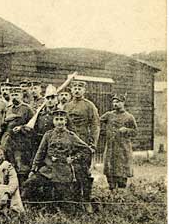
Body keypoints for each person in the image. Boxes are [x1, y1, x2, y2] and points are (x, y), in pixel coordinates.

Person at [24, 110, 93, 208]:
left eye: (61, 119)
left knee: (65, 202)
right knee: (29, 183)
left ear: (65, 121)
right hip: (48, 170)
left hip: (63, 171)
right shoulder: (48, 135)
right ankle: (29, 207)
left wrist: (73, 158)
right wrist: (33, 169)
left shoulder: (71, 136)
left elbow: (86, 150)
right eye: (57, 119)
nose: (59, 122)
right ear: (53, 121)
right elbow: (40, 152)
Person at [63, 80, 100, 212]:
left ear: (84, 90)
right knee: (70, 171)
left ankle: (86, 200)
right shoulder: (66, 106)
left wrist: (93, 145)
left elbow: (95, 126)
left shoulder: (90, 106)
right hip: (69, 143)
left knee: (84, 172)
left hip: (83, 143)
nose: (77, 90)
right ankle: (74, 201)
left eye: (80, 88)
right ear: (71, 90)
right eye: (75, 88)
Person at [100, 94, 138, 190]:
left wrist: (126, 130)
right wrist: (104, 131)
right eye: (114, 102)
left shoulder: (129, 117)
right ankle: (112, 189)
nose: (115, 104)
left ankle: (121, 192)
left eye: (118, 102)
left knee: (122, 169)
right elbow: (97, 121)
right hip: (111, 147)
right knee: (110, 169)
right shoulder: (109, 115)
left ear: (123, 103)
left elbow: (135, 132)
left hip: (123, 148)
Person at [0, 86, 34, 184]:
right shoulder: (8, 109)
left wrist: (21, 128)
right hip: (9, 141)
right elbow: (3, 124)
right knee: (9, 164)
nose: (14, 97)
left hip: (21, 142)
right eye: (13, 95)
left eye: (17, 95)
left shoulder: (27, 109)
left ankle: (22, 188)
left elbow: (32, 125)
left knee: (21, 166)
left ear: (22, 96)